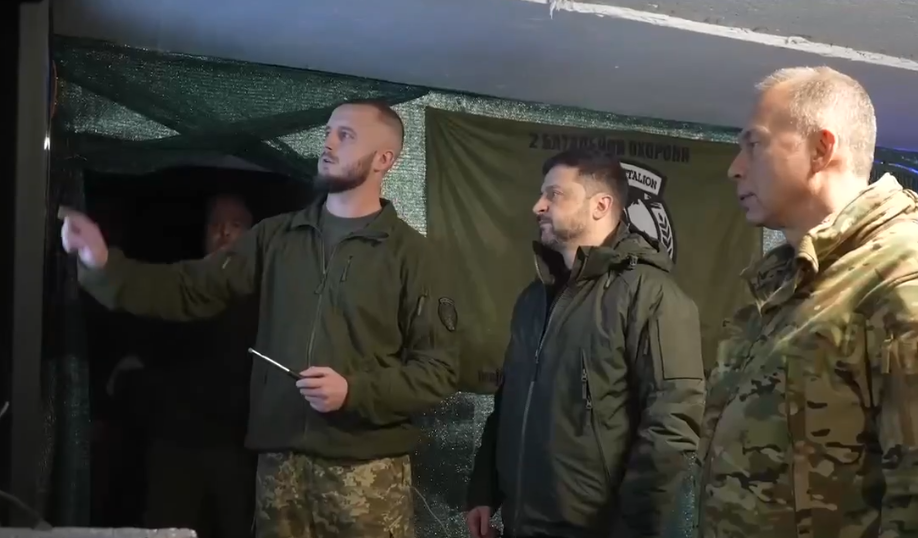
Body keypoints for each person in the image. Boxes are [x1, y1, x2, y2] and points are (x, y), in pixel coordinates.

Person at [59, 99, 460, 538]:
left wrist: (354, 391)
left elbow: (438, 372)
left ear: (383, 159)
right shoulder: (276, 237)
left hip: (366, 471)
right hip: (279, 471)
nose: (327, 143)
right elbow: (191, 288)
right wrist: (104, 266)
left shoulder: (413, 256)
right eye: (328, 131)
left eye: (345, 135)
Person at [698, 66, 918, 537]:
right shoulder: (790, 281)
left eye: (754, 144)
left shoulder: (902, 276)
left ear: (821, 150)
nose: (735, 167)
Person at [465, 149, 704, 538]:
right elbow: (508, 403)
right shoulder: (533, 298)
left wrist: (632, 530)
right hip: (521, 524)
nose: (538, 206)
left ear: (601, 206)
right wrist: (484, 490)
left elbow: (672, 427)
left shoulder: (651, 295)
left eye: (555, 194)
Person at [106, 193, 257, 538]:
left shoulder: (265, 298)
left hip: (235, 450)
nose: (224, 233)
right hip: (174, 444)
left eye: (235, 225)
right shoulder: (178, 289)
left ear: (251, 236)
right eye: (215, 224)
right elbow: (146, 355)